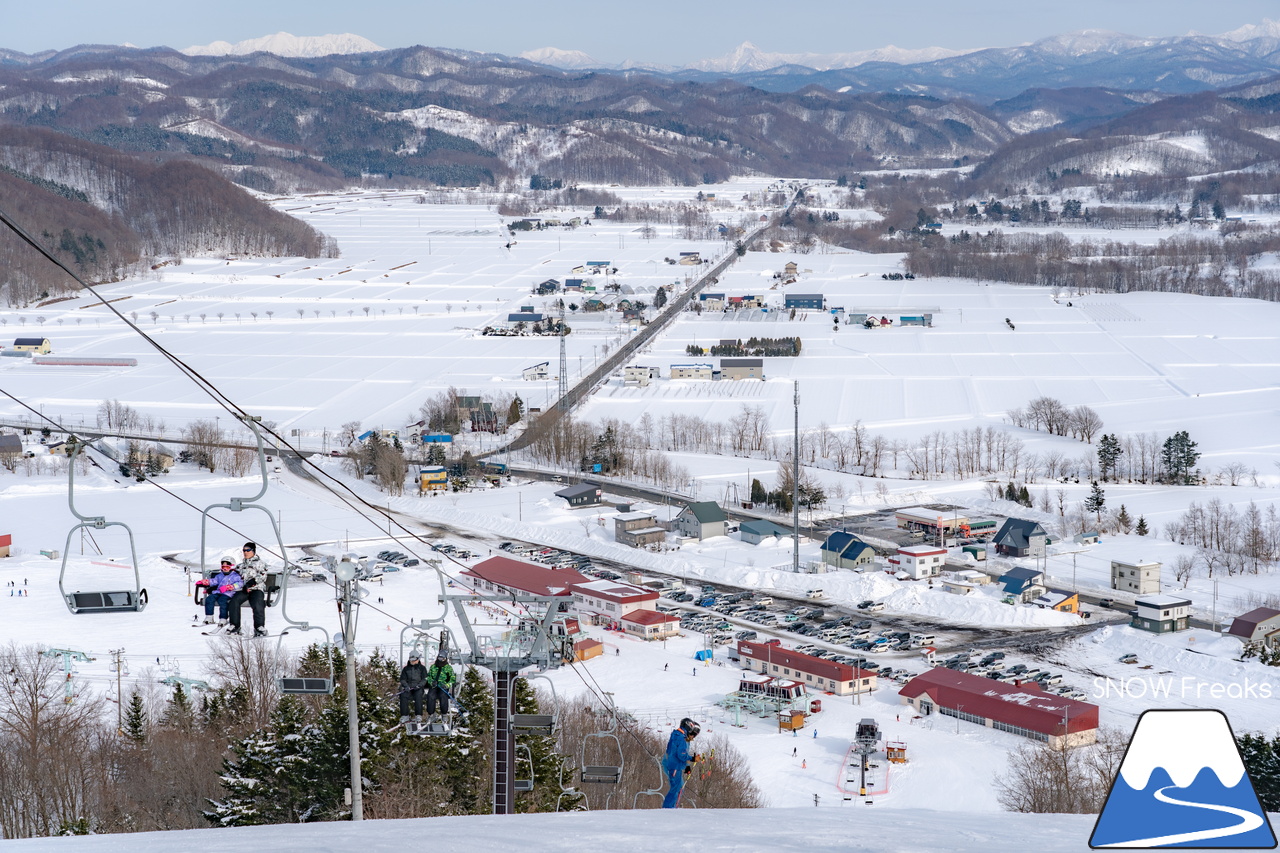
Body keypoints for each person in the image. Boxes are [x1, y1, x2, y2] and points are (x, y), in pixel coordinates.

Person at [227, 542, 268, 637]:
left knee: (258, 603)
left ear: (253, 551)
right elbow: (234, 576)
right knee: (234, 601)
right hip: (243, 589)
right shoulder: (240, 566)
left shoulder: (260, 563)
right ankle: (235, 626)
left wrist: (250, 583)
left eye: (248, 550)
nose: (245, 552)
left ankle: (259, 627)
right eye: (244, 550)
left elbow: (262, 576)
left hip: (256, 588)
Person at [661, 717, 700, 808]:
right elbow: (681, 755)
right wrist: (693, 759)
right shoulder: (681, 738)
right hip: (674, 766)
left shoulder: (678, 735)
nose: (693, 736)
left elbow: (676, 752)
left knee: (679, 787)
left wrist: (687, 764)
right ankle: (669, 808)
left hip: (674, 764)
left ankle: (672, 806)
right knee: (677, 788)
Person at [203, 555, 242, 626]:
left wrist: (232, 586)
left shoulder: (235, 576)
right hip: (219, 592)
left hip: (228, 593)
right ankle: (209, 616)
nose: (225, 569)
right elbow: (215, 581)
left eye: (227, 567)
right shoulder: (220, 575)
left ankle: (223, 618)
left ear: (232, 567)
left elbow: (240, 583)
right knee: (209, 599)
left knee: (222, 601)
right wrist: (208, 582)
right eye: (223, 567)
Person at [424, 653, 456, 721]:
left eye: (442, 658)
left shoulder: (448, 668)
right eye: (439, 658)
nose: (440, 660)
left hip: (443, 686)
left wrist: (447, 685)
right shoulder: (433, 667)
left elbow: (452, 679)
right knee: (430, 695)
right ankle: (431, 713)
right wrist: (431, 682)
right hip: (434, 686)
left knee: (443, 695)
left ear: (445, 659)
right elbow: (429, 676)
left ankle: (444, 713)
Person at [398, 653, 427, 723]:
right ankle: (405, 715)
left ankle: (418, 715)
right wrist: (406, 686)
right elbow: (402, 679)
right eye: (411, 660)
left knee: (418, 696)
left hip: (418, 687)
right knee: (403, 696)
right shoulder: (406, 669)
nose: (413, 662)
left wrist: (419, 685)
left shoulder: (422, 668)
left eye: (414, 660)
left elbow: (425, 679)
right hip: (409, 687)